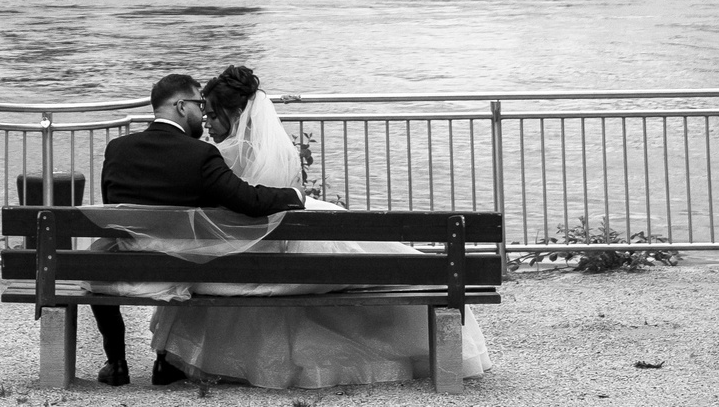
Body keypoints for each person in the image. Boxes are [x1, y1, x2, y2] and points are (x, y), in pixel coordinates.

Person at [145, 65, 495, 390]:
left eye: (211, 114)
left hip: (253, 253)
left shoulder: (215, 156)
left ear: (234, 114)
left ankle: (189, 357)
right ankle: (431, 275)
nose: (207, 122)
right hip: (286, 241)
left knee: (194, 266)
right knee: (383, 259)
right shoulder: (274, 151)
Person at [92, 71, 305, 387]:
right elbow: (249, 200)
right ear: (181, 106)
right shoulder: (200, 155)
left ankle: (116, 362)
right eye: (199, 104)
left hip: (126, 266)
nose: (203, 113)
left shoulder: (117, 148)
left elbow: (112, 207)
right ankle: (172, 358)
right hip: (181, 270)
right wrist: (295, 196)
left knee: (95, 257)